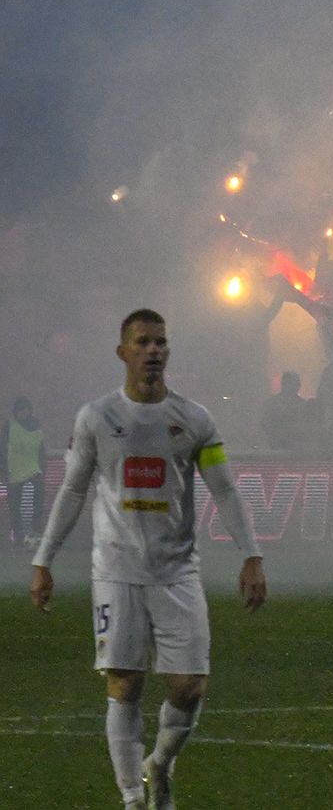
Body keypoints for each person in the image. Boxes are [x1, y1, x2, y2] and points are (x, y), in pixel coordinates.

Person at [28, 309, 267, 810]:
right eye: (142, 342)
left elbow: (224, 490)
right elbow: (73, 491)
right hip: (116, 572)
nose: (153, 350)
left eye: (160, 342)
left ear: (168, 352)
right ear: (123, 353)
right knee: (125, 683)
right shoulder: (96, 417)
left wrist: (251, 555)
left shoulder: (195, 419)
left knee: (189, 687)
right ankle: (133, 799)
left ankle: (159, 762)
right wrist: (43, 559)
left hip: (177, 572)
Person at [7, 395, 44, 549]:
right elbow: (3, 448)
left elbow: (41, 448)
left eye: (25, 410)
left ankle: (35, 528)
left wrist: (43, 467)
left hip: (33, 468)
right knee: (15, 506)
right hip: (14, 471)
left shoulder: (36, 426)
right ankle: (18, 535)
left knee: (39, 492)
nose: (23, 413)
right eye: (20, 410)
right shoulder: (9, 426)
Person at [260, 370, 323, 451]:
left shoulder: (303, 404)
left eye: (294, 383)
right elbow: (264, 424)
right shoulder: (272, 403)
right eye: (289, 383)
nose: (293, 386)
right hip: (276, 446)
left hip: (297, 447)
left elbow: (308, 428)